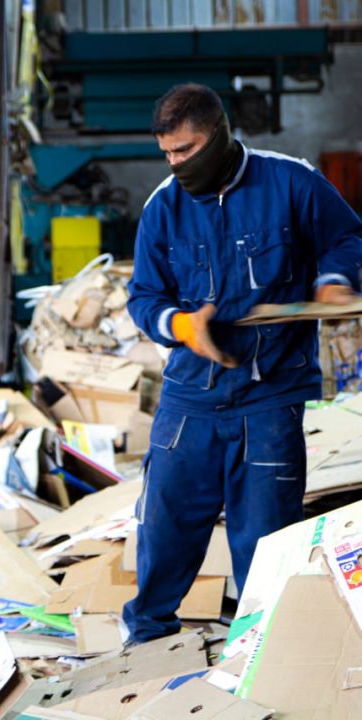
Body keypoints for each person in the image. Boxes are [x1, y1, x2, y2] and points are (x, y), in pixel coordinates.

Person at [123, 83, 362, 644]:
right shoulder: (164, 207)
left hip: (269, 397)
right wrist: (182, 327)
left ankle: (260, 650)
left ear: (221, 135)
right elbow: (144, 297)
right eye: (167, 153)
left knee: (266, 539)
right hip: (190, 400)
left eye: (187, 150)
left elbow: (347, 237)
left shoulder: (290, 181)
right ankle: (148, 641)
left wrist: (333, 282)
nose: (176, 164)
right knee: (165, 528)